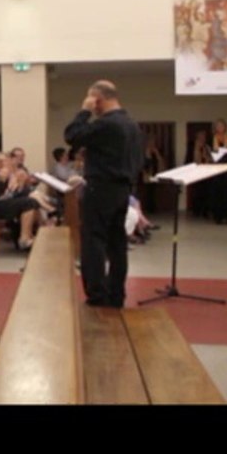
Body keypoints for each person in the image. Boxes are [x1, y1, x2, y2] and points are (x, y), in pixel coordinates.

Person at [64, 80, 144, 308]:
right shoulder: (131, 124)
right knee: (117, 243)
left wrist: (84, 111)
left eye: (92, 100)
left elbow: (71, 135)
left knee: (93, 240)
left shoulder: (107, 124)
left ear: (98, 99)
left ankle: (97, 294)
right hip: (122, 188)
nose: (92, 106)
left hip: (100, 187)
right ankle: (116, 293)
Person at [210, 118, 227, 225]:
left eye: (222, 125)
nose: (220, 128)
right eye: (218, 126)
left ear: (225, 127)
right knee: (218, 192)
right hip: (216, 169)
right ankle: (218, 216)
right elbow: (210, 152)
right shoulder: (212, 138)